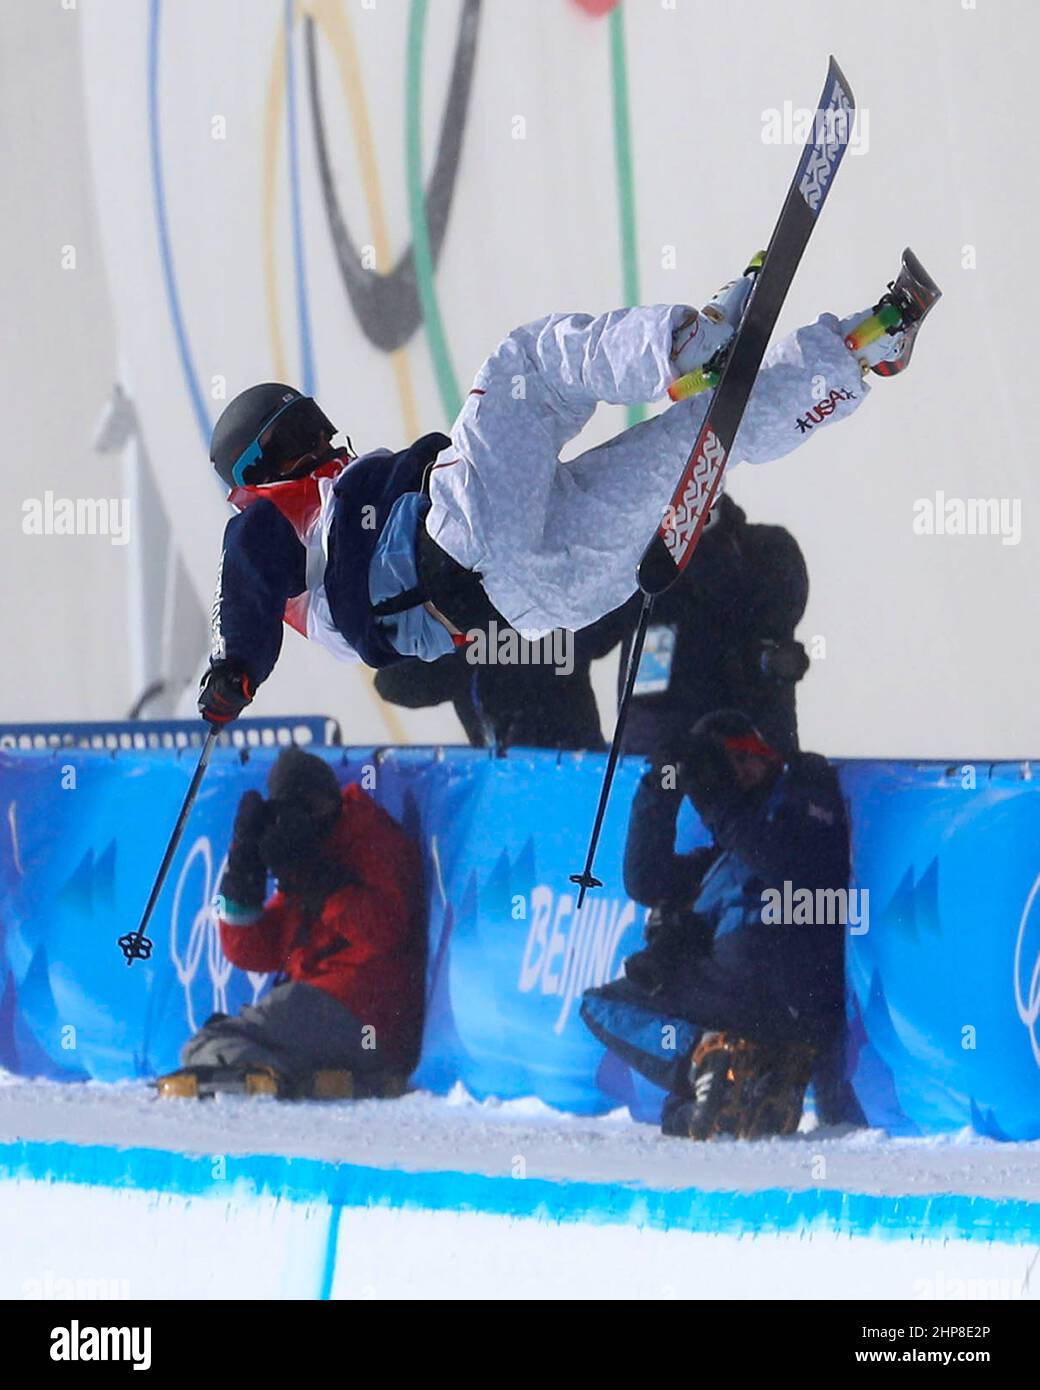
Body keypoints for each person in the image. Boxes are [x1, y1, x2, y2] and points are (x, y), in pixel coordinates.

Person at [196, 251, 940, 725]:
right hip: (453, 528)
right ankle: (683, 344)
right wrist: (236, 666)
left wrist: (242, 667)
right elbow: (249, 574)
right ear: (254, 478)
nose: (321, 445)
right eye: (294, 442)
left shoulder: (318, 580)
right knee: (533, 364)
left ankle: (863, 349)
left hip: (541, 599)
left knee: (707, 444)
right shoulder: (269, 526)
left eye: (316, 426)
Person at [581, 710, 852, 1140]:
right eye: (726, 763)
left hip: (782, 979)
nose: (739, 773)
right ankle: (758, 1083)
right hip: (746, 1002)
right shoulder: (720, 855)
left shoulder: (802, 794)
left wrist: (717, 800)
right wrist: (663, 784)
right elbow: (647, 881)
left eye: (748, 758)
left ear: (772, 759)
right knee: (683, 1112)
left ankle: (705, 1055)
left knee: (606, 1006)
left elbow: (787, 865)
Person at [158, 747, 425, 1099]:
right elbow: (253, 953)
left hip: (363, 1008)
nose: (309, 817)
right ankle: (343, 1082)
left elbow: (382, 931)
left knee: (211, 1045)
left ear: (333, 800)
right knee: (208, 1044)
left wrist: (313, 877)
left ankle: (278, 1079)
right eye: (296, 809)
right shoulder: (313, 846)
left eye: (313, 806)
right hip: (331, 1007)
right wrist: (243, 870)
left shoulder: (371, 839)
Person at [616, 492, 809, 760]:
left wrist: (691, 545)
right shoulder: (642, 560)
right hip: (650, 761)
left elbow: (773, 611)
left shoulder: (769, 549)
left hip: (748, 761)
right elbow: (589, 638)